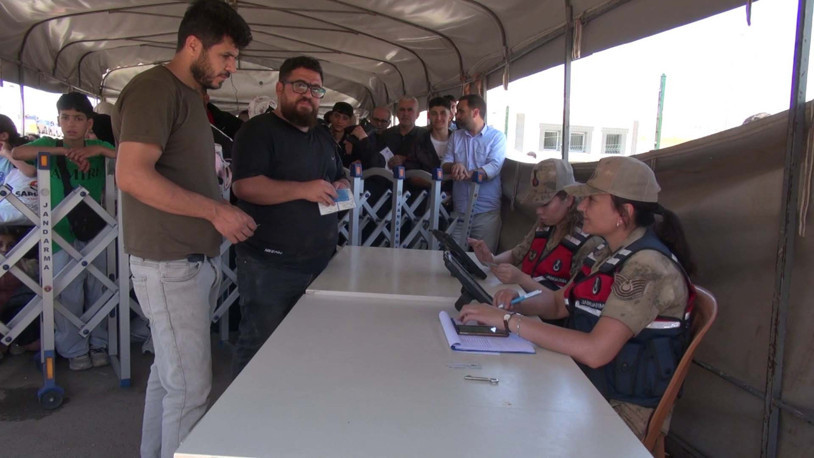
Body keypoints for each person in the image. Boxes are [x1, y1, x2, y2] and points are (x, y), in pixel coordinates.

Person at [459, 156, 696, 440]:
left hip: (621, 409)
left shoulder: (646, 268)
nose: (581, 206)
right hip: (589, 384)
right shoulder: (606, 253)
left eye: (592, 200)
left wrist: (509, 321)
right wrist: (511, 304)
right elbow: (560, 304)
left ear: (625, 212)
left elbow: (597, 351)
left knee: (508, 429)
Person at [111, 1, 254, 456]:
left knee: (170, 381)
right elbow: (132, 175)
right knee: (190, 390)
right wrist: (215, 212)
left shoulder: (190, 94)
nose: (232, 68)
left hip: (189, 263)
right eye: (226, 56)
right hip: (169, 264)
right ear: (193, 44)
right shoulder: (156, 89)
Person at [230, 56, 349, 377]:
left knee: (309, 348)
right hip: (269, 265)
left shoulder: (323, 135)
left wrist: (341, 183)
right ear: (280, 88)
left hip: (321, 263)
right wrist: (303, 189)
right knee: (260, 346)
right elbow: (245, 187)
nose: (308, 94)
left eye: (315, 88)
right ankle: (246, 417)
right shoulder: (258, 131)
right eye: (300, 85)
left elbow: (341, 175)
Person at [13, 92, 115, 371]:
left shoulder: (99, 147)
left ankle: (99, 343)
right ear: (58, 120)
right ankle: (73, 349)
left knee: (99, 289)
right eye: (66, 117)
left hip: (96, 230)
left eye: (78, 118)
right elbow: (18, 153)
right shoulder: (48, 144)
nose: (71, 124)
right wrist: (65, 152)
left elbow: (123, 156)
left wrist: (98, 150)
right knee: (67, 294)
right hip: (59, 232)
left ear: (88, 122)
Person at [468, 159, 600, 293]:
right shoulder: (546, 223)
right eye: (537, 204)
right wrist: (491, 259)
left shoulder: (588, 242)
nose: (538, 211)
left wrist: (522, 279)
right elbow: (517, 254)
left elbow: (566, 303)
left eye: (545, 204)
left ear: (568, 199)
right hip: (525, 303)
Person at [441, 93, 506, 252]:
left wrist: (467, 173)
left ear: (475, 112)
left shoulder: (496, 137)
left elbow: (494, 166)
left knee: (483, 263)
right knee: (451, 257)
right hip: (460, 211)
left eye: (461, 111)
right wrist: (455, 166)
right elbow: (445, 163)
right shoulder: (456, 136)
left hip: (485, 214)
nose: (457, 115)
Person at [383, 96, 426, 169]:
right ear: (397, 114)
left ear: (417, 115)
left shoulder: (425, 135)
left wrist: (406, 159)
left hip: (415, 178)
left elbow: (428, 162)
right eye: (402, 110)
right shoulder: (386, 135)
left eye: (410, 110)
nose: (405, 114)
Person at [327, 101, 370, 168]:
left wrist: (364, 139)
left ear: (350, 121)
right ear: (331, 117)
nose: (339, 121)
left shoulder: (352, 141)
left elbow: (372, 161)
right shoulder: (322, 136)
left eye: (345, 118)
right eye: (336, 116)